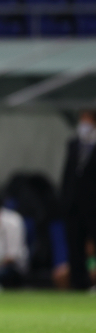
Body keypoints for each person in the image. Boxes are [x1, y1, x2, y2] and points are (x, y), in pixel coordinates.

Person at [60, 110, 96, 290]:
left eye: (87, 120)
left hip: (93, 206)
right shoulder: (74, 144)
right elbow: (67, 175)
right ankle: (79, 284)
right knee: (75, 246)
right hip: (74, 207)